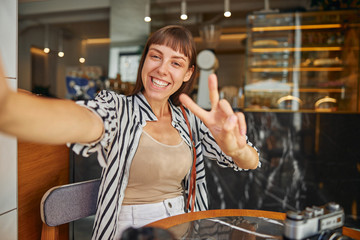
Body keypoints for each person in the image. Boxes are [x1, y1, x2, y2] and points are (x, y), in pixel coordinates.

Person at [0, 25, 259, 239]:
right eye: (156, 56)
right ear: (144, 60)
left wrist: (237, 149)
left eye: (176, 63)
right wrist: (9, 109)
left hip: (185, 226)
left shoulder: (189, 119)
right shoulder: (118, 108)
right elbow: (86, 120)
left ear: (188, 73)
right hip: (130, 230)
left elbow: (251, 162)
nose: (162, 69)